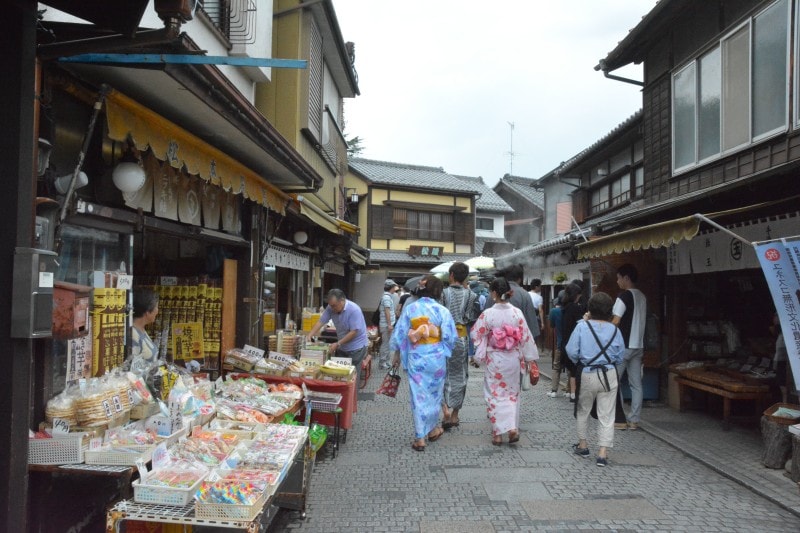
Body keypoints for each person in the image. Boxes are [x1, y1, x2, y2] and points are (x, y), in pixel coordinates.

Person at [390, 275, 457, 452]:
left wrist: (397, 354)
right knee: (434, 394)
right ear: (438, 291)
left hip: (416, 356)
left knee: (419, 396)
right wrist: (439, 343)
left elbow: (401, 334)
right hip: (436, 357)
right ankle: (432, 429)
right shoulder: (442, 311)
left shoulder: (411, 308)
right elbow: (451, 337)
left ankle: (421, 437)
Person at [471, 277, 539, 445]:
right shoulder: (517, 313)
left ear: (494, 293)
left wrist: (481, 351)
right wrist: (530, 359)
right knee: (512, 394)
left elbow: (476, 334)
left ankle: (497, 434)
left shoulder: (488, 314)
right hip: (513, 359)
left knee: (494, 394)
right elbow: (525, 337)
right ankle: (512, 429)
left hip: (495, 359)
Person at [566, 292, 624, 467]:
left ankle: (583, 445)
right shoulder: (615, 330)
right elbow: (620, 356)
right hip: (609, 374)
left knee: (583, 409)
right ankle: (602, 453)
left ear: (590, 309)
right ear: (609, 311)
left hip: (587, 373)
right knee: (607, 414)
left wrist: (582, 361)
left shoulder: (582, 327)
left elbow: (571, 351)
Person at [441, 262, 477, 430]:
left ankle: (445, 411)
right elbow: (469, 317)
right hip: (461, 338)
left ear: (452, 275)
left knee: (443, 374)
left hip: (444, 338)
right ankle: (455, 415)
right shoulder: (471, 295)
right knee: (461, 375)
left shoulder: (443, 293)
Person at [306, 288, 369, 383]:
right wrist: (310, 335)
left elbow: (354, 332)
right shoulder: (331, 307)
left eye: (334, 306)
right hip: (342, 346)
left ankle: (353, 397)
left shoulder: (354, 310)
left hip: (356, 348)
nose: (332, 308)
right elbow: (321, 321)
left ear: (342, 301)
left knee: (352, 377)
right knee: (339, 376)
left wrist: (338, 343)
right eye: (330, 306)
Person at [612, 264, 647, 431]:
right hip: (638, 345)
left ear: (626, 278)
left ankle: (619, 418)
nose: (617, 281)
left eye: (619, 277)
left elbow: (616, 321)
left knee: (613, 381)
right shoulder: (642, 296)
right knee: (636, 384)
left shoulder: (623, 297)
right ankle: (634, 420)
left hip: (623, 346)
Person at [486, 264, 540, 339]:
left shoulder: (493, 294)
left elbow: (484, 323)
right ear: (520, 279)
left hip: (494, 341)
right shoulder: (524, 295)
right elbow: (531, 323)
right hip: (517, 342)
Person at [561, 282, 585, 402]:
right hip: (574, 342)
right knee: (576, 370)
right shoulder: (575, 308)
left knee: (572, 369)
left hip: (565, 342)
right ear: (576, 295)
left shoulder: (565, 307)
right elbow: (581, 323)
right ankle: (575, 394)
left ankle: (572, 394)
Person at [129, 288, 160, 372]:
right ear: (147, 312)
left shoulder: (141, 329)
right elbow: (132, 370)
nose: (157, 311)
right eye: (156, 307)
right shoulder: (133, 335)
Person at [546, 290, 565, 398]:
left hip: (560, 343)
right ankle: (570, 391)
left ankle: (554, 390)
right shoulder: (574, 309)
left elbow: (552, 325)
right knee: (571, 368)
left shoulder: (554, 311)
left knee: (556, 367)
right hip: (572, 344)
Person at [378, 279, 398, 369]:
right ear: (391, 288)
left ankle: (386, 361)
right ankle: (382, 362)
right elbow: (387, 312)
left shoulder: (388, 297)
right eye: (394, 287)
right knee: (385, 344)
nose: (395, 289)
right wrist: (389, 325)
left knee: (387, 343)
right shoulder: (386, 297)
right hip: (386, 325)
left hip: (387, 324)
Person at [528, 279, 545, 351]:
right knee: (534, 336)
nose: (540, 288)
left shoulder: (526, 294)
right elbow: (540, 310)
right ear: (536, 287)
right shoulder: (539, 297)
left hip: (525, 317)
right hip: (534, 318)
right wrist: (542, 322)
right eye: (540, 286)